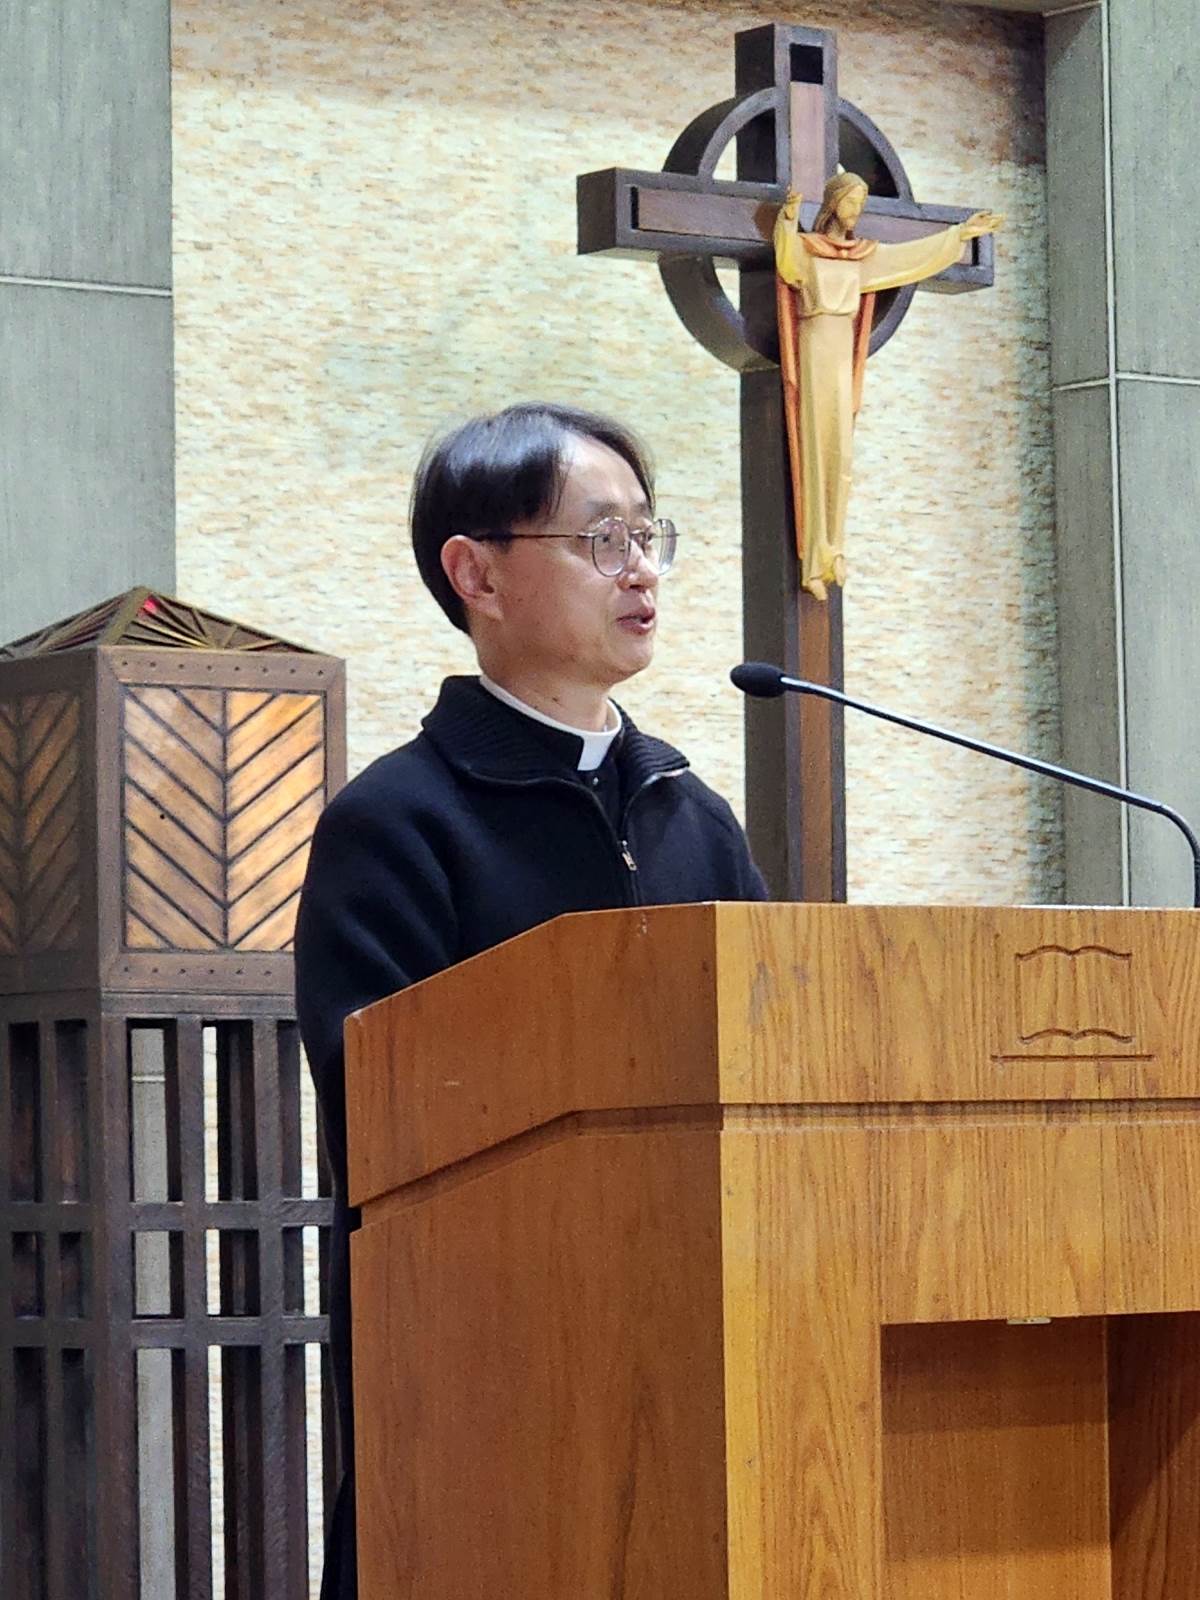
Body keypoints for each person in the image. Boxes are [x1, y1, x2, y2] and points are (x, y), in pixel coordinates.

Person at [294, 401, 769, 1599]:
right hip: (485, 1378)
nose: (641, 569)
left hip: (704, 1351)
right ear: (477, 574)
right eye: (601, 539)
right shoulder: (396, 825)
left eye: (649, 536)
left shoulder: (694, 819)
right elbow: (388, 1119)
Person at [773, 172, 1003, 598]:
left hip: (842, 356)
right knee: (817, 450)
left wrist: (958, 235)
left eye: (861, 204)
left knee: (841, 455)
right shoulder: (808, 250)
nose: (856, 211)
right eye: (850, 202)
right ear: (833, 203)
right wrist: (787, 219)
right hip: (816, 350)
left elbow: (910, 258)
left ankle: (834, 551)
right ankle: (813, 560)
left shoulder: (863, 257)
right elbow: (787, 260)